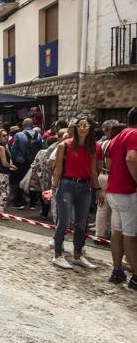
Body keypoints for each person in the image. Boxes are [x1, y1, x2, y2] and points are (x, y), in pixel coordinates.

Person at [50, 115, 102, 270]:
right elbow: (58, 168)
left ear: (91, 128)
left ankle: (78, 254)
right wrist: (53, 188)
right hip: (67, 184)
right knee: (64, 222)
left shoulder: (93, 147)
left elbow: (93, 171)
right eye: (81, 125)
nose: (83, 128)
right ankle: (58, 255)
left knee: (81, 223)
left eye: (86, 125)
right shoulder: (64, 145)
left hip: (85, 187)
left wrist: (98, 189)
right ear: (76, 127)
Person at [105, 107, 137, 289]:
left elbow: (109, 163)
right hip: (128, 191)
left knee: (117, 232)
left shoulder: (117, 137)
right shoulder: (134, 134)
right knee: (130, 235)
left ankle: (117, 271)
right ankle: (136, 277)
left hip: (114, 190)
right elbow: (132, 158)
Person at [94, 120, 119, 240]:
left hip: (102, 176)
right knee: (113, 207)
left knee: (102, 206)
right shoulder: (115, 143)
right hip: (110, 175)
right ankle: (110, 234)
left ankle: (100, 234)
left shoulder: (101, 143)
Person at [10, 119, 41, 209]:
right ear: (32, 125)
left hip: (22, 162)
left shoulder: (19, 135)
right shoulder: (38, 134)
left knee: (20, 181)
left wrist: (15, 159)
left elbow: (14, 149)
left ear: (23, 125)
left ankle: (19, 202)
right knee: (32, 181)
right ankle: (32, 203)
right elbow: (41, 147)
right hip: (34, 161)